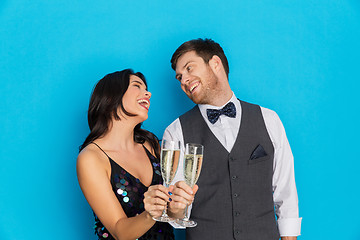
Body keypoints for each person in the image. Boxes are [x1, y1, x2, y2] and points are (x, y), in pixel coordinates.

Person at [165, 39, 302, 240]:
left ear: (215, 64)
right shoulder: (176, 131)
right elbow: (177, 214)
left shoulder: (269, 119)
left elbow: (285, 190)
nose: (184, 80)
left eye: (189, 68)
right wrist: (175, 208)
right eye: (179, 77)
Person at [77, 69, 175, 240]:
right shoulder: (91, 158)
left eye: (146, 88)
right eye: (137, 86)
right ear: (111, 96)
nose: (148, 93)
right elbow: (119, 231)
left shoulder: (151, 145)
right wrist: (149, 214)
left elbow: (172, 213)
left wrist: (180, 203)